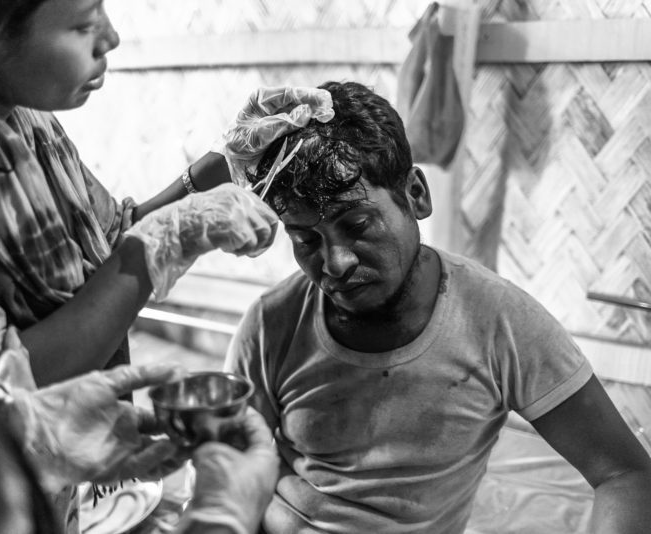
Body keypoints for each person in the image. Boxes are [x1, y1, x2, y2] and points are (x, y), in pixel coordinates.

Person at [0, 1, 285, 533]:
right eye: (82, 23)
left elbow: (109, 244)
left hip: (60, 492)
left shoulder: (23, 116)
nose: (112, 38)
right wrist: (221, 518)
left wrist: (223, 163)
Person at [225, 81, 651, 533]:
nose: (336, 263)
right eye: (306, 239)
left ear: (415, 195)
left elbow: (625, 475)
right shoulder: (272, 324)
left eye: (357, 224)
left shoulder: (499, 322)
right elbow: (233, 474)